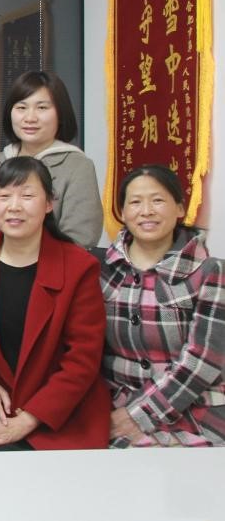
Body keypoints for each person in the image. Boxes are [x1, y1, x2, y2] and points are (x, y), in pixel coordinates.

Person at [0, 157, 109, 451]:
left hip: (60, 415)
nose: (14, 206)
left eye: (27, 196)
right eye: (4, 196)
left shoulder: (79, 267)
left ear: (49, 204)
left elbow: (83, 359)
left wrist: (29, 419)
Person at [100, 165, 225, 447]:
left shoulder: (211, 271)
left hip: (195, 411)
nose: (146, 211)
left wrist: (138, 416)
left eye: (157, 200)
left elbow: (202, 361)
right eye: (135, 202)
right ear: (122, 212)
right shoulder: (102, 270)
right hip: (115, 409)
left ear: (180, 208)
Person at [0, 71, 103, 248]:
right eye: (21, 107)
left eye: (42, 108)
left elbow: (82, 237)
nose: (30, 118)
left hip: (56, 264)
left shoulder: (77, 166)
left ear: (60, 113)